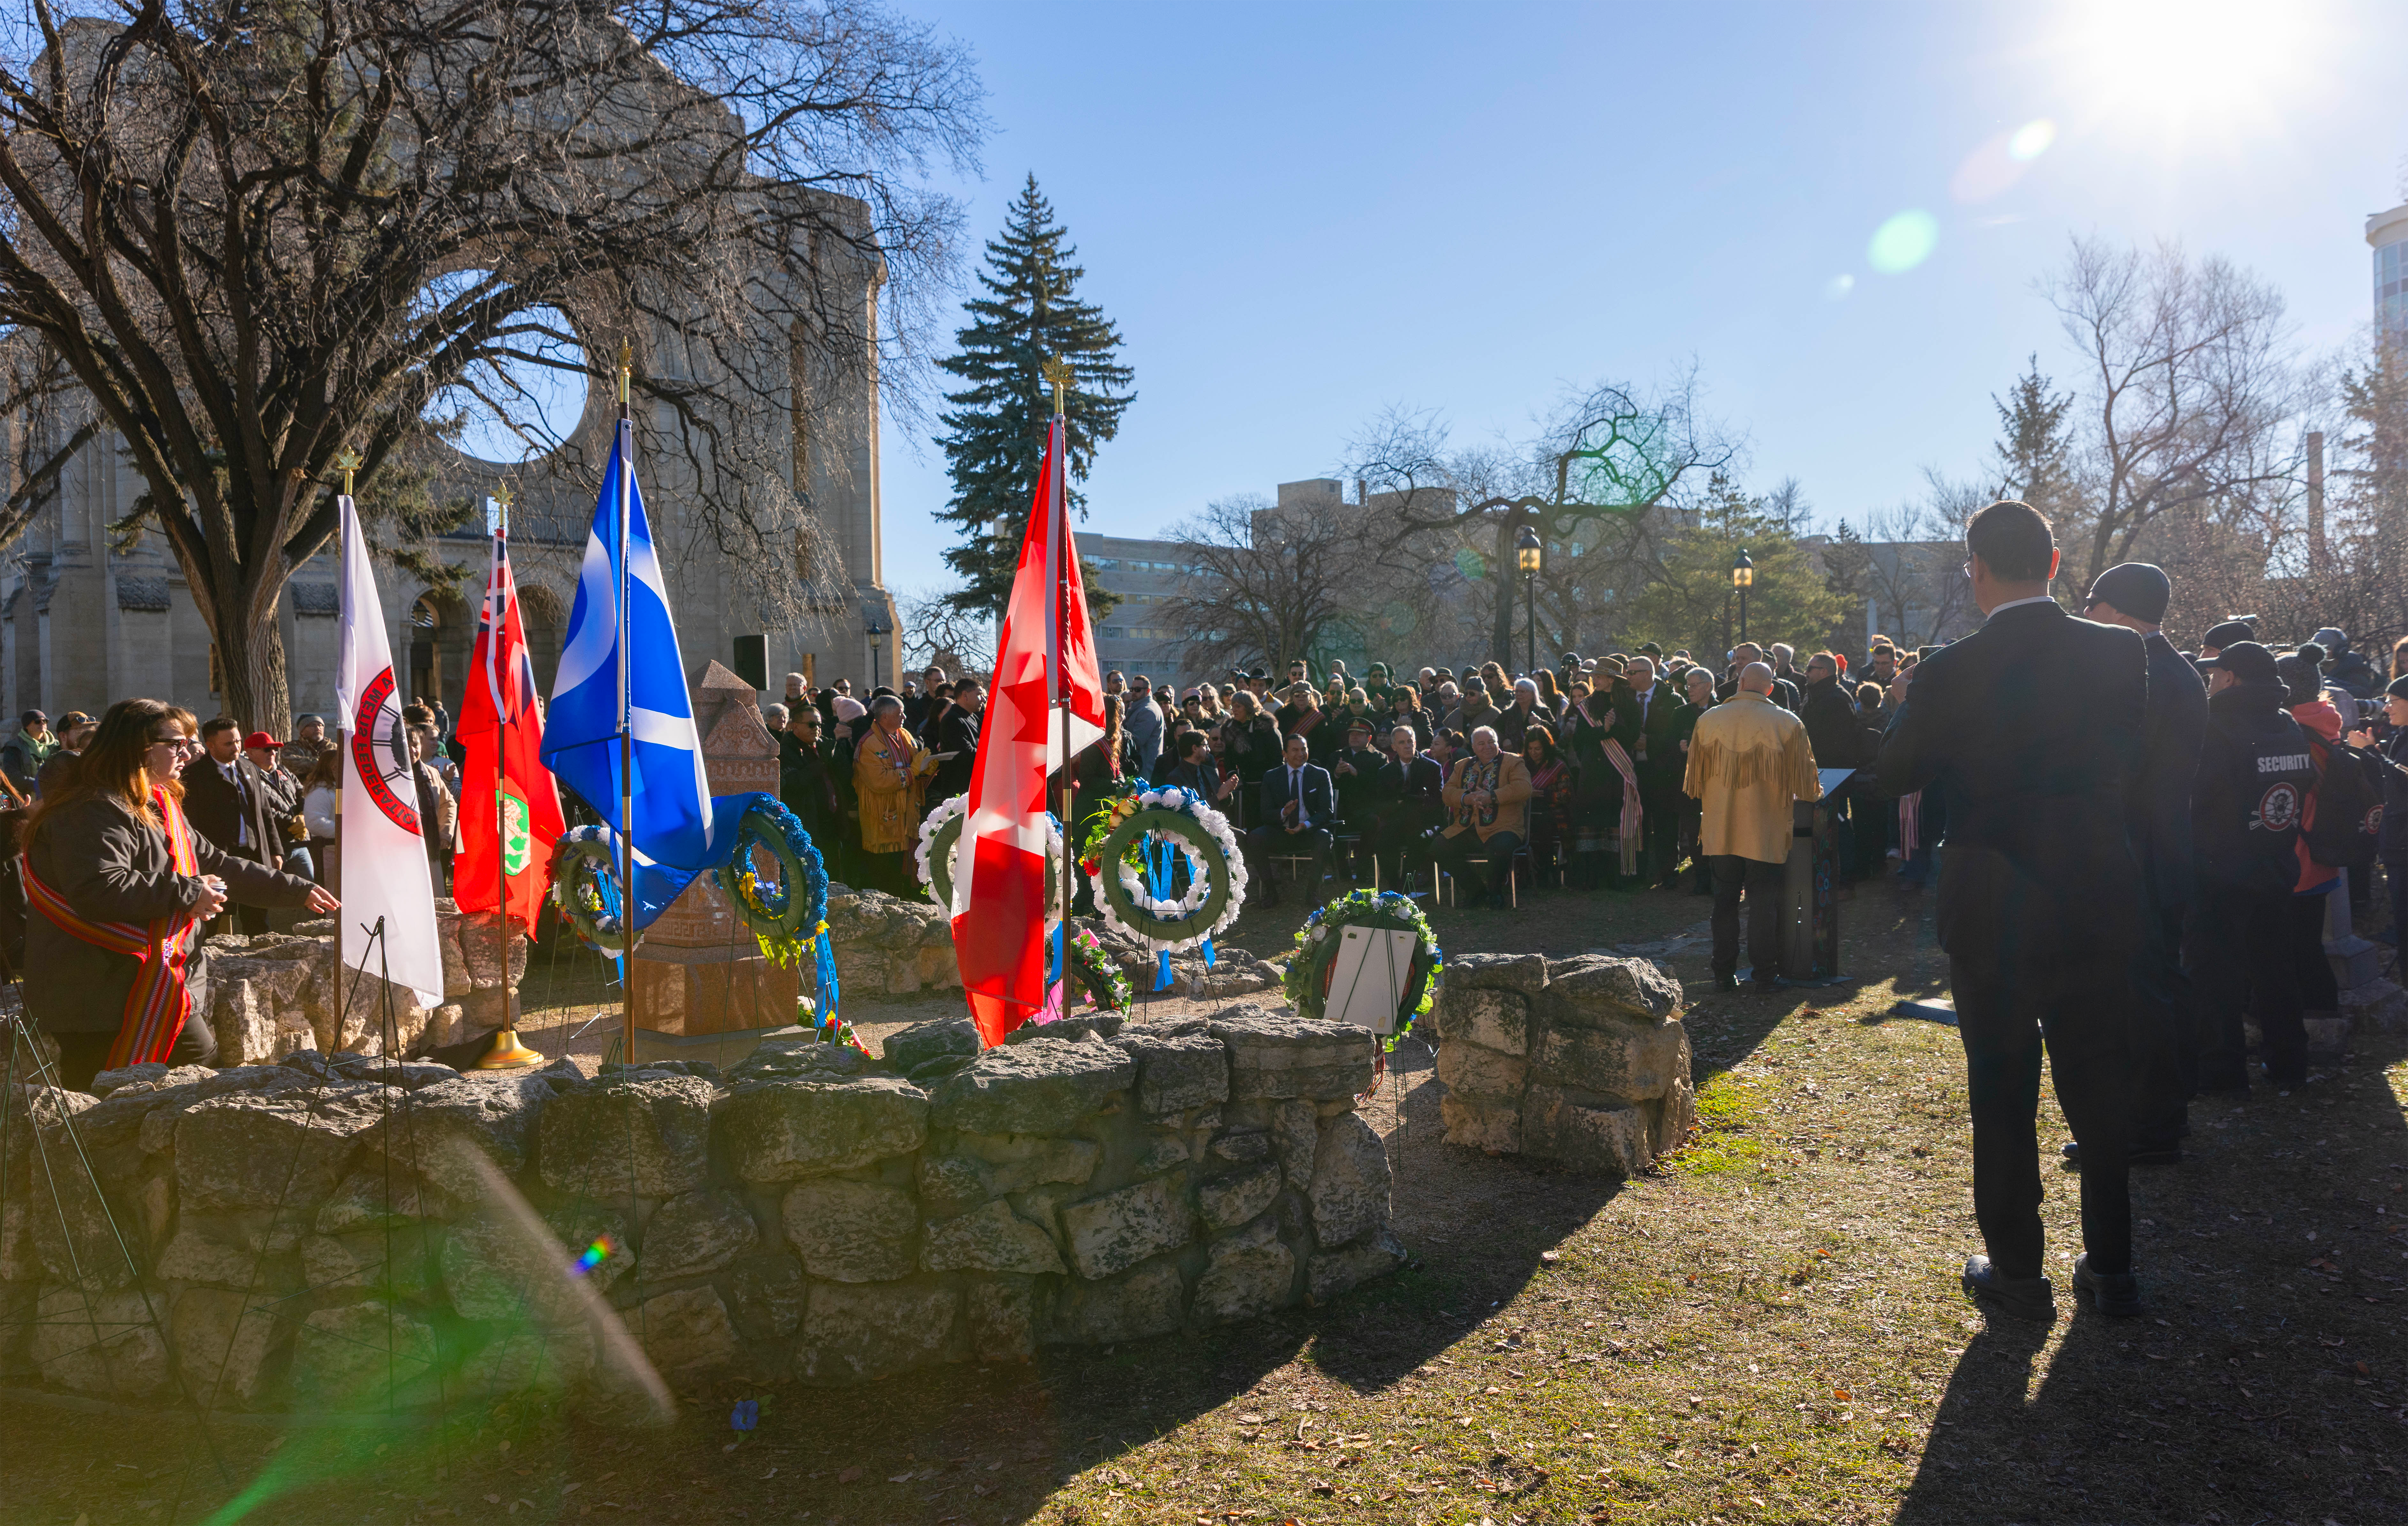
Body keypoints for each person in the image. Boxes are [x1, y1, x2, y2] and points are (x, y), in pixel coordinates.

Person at [1872, 499, 2148, 1321]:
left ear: (1976, 571)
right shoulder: (2117, 651)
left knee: (2000, 1083)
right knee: (2098, 1077)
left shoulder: (1951, 668)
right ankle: (2112, 1263)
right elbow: (2129, 757)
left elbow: (1894, 772)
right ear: (2056, 562)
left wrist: (1913, 708)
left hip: (1992, 885)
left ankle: (2018, 1272)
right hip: (2095, 879)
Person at [23, 699, 334, 1091]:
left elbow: (216, 861)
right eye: (175, 743)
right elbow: (97, 889)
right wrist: (188, 891)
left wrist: (296, 889)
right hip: (99, 996)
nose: (187, 752)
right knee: (104, 1109)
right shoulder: (91, 807)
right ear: (136, 746)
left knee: (198, 1087)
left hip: (158, 982)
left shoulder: (157, 801)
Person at [2078, 563, 2206, 1164]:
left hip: (2138, 851)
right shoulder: (2178, 669)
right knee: (2155, 989)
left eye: (2094, 605)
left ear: (2118, 611)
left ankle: (2148, 1125)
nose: (2088, 616)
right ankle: (2158, 1116)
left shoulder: (2146, 670)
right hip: (2165, 847)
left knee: (2139, 995)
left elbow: (2121, 769)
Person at [2192, 641, 2319, 1094]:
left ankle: (2221, 1073)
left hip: (2220, 871)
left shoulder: (2214, 726)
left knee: (2217, 976)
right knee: (2276, 970)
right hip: (2275, 863)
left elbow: (2198, 796)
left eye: (2214, 673)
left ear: (2230, 677)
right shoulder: (2287, 725)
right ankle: (2289, 1062)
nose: (2208, 680)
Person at [1685, 662, 1819, 992]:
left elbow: (1693, 782)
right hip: (1766, 829)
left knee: (1724, 902)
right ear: (1770, 688)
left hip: (1721, 828)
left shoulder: (1707, 719)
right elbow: (1808, 789)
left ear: (1739, 682)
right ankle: (1763, 974)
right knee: (1763, 902)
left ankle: (1722, 972)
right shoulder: (1788, 723)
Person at [180, 717, 285, 935]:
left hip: (254, 855)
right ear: (210, 745)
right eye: (228, 744)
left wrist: (275, 850)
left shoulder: (249, 768)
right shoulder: (195, 776)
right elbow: (191, 823)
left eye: (237, 741)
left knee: (258, 920)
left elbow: (264, 813)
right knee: (209, 922)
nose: (236, 747)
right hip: (218, 859)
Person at [1432, 725, 1532, 909]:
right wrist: (1467, 798)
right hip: (1467, 828)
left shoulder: (1514, 762)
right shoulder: (1461, 765)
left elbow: (1524, 788)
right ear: (1473, 747)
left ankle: (1495, 893)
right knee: (1439, 847)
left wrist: (1492, 797)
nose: (1487, 747)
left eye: (1491, 742)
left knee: (1499, 848)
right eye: (1481, 743)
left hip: (1504, 828)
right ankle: (1476, 891)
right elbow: (1447, 794)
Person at [1612, 656, 1687, 887]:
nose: (1628, 676)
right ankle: (1638, 874)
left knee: (1665, 823)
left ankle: (1667, 873)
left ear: (1647, 673)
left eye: (1632, 672)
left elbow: (1676, 736)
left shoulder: (1672, 699)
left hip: (1662, 771)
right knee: (1637, 824)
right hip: (1633, 771)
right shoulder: (1623, 698)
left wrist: (1651, 743)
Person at [852, 693, 937, 896]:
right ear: (884, 718)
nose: (904, 717)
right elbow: (879, 781)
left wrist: (927, 767)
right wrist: (914, 771)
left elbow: (914, 763)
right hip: (883, 824)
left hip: (907, 820)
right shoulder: (868, 745)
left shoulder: (905, 735)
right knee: (885, 877)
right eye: (900, 713)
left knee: (906, 877)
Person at [1246, 733, 1335, 908]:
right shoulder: (1272, 776)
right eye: (1295, 750)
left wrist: (1305, 825)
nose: (1300, 754)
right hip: (1282, 832)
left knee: (1325, 837)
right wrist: (1283, 813)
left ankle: (1312, 893)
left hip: (1309, 831)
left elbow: (1327, 811)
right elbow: (1265, 814)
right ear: (1284, 754)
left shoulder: (1320, 775)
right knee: (1255, 837)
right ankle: (1271, 893)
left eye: (1304, 749)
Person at [1367, 723, 1445, 890]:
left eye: (1410, 741)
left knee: (1420, 840)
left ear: (1416, 743)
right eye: (1402, 743)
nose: (1408, 746)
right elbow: (1380, 805)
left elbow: (1437, 801)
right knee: (1381, 842)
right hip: (1396, 821)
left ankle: (1406, 887)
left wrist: (1410, 803)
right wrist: (1399, 803)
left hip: (1424, 822)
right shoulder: (1385, 772)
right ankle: (1395, 885)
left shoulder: (1431, 767)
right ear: (1394, 747)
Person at [778, 706, 847, 856]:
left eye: (819, 725)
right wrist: (823, 762)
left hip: (832, 824)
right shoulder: (786, 751)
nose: (817, 729)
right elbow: (795, 782)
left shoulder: (824, 746)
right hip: (809, 826)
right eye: (811, 724)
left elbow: (846, 777)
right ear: (795, 726)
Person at [1329, 716, 1386, 881]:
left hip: (1366, 811)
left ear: (1369, 738)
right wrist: (1337, 773)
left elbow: (1381, 785)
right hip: (1342, 811)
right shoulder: (1337, 756)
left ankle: (1362, 872)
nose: (1354, 737)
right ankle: (1343, 873)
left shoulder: (1379, 758)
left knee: (1373, 823)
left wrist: (1357, 773)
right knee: (1331, 825)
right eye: (1352, 734)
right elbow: (1325, 783)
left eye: (1359, 734)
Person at [409, 726, 457, 892]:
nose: (412, 750)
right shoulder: (389, 775)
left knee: (435, 900)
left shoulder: (432, 774)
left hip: (432, 848)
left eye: (415, 744)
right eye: (406, 744)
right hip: (402, 852)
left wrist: (445, 832)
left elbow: (448, 803)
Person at [930, 677, 983, 803]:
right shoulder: (952, 720)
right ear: (965, 695)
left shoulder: (972, 718)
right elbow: (966, 754)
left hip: (973, 788)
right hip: (959, 794)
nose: (983, 699)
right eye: (979, 695)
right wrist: (994, 756)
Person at [301, 743, 343, 898]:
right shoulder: (321, 792)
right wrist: (345, 832)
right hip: (329, 852)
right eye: (335, 767)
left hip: (342, 851)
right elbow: (316, 823)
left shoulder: (337, 789)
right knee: (332, 896)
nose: (339, 769)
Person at [35, 711, 97, 795]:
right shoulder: (50, 768)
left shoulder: (93, 762)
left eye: (89, 732)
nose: (86, 736)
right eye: (81, 732)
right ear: (63, 736)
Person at [2312, 626, 2382, 699]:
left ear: (2339, 651)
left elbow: (2364, 696)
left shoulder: (2355, 672)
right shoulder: (2316, 669)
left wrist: (2330, 685)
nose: (2316, 653)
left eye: (2322, 649)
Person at [3, 709, 56, 795]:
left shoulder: (57, 746)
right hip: (29, 799)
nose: (42, 723)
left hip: (54, 798)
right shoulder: (14, 747)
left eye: (45, 721)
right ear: (27, 726)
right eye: (37, 721)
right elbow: (13, 776)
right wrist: (39, 786)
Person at [1124, 674, 1166, 776]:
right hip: (1142, 768)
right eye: (1132, 689)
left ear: (1148, 691)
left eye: (1138, 690)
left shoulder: (1148, 711)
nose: (1134, 692)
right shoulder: (1141, 707)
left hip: (1145, 771)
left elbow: (1136, 742)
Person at [281, 713, 331, 784]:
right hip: (303, 790)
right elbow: (292, 764)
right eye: (313, 726)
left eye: (321, 726)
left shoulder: (332, 747)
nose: (318, 728)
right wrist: (324, 763)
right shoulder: (292, 748)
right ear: (302, 732)